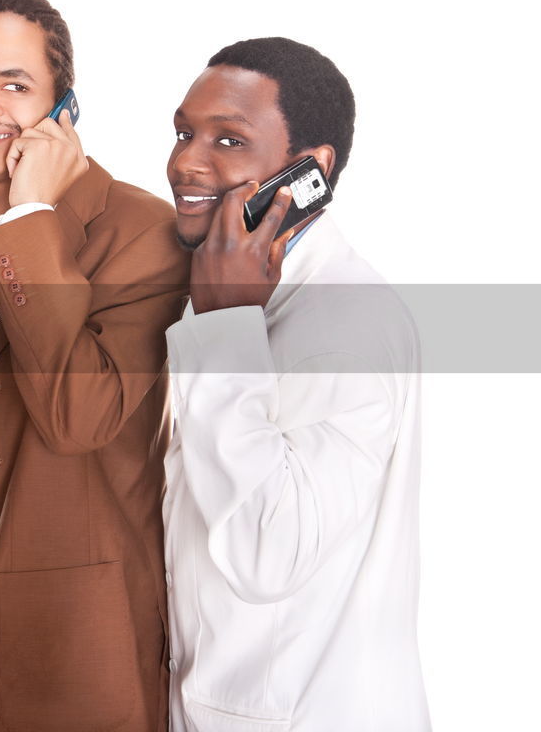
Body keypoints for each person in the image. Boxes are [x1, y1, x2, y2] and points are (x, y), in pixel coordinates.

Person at [0, 0, 190, 730]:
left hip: (86, 649)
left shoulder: (144, 231)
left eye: (13, 84)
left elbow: (78, 415)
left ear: (63, 109)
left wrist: (29, 219)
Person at [162, 37, 430, 731]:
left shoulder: (347, 323)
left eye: (229, 139)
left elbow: (266, 551)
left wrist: (225, 328)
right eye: (186, 132)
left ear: (308, 171)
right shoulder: (234, 290)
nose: (187, 161)